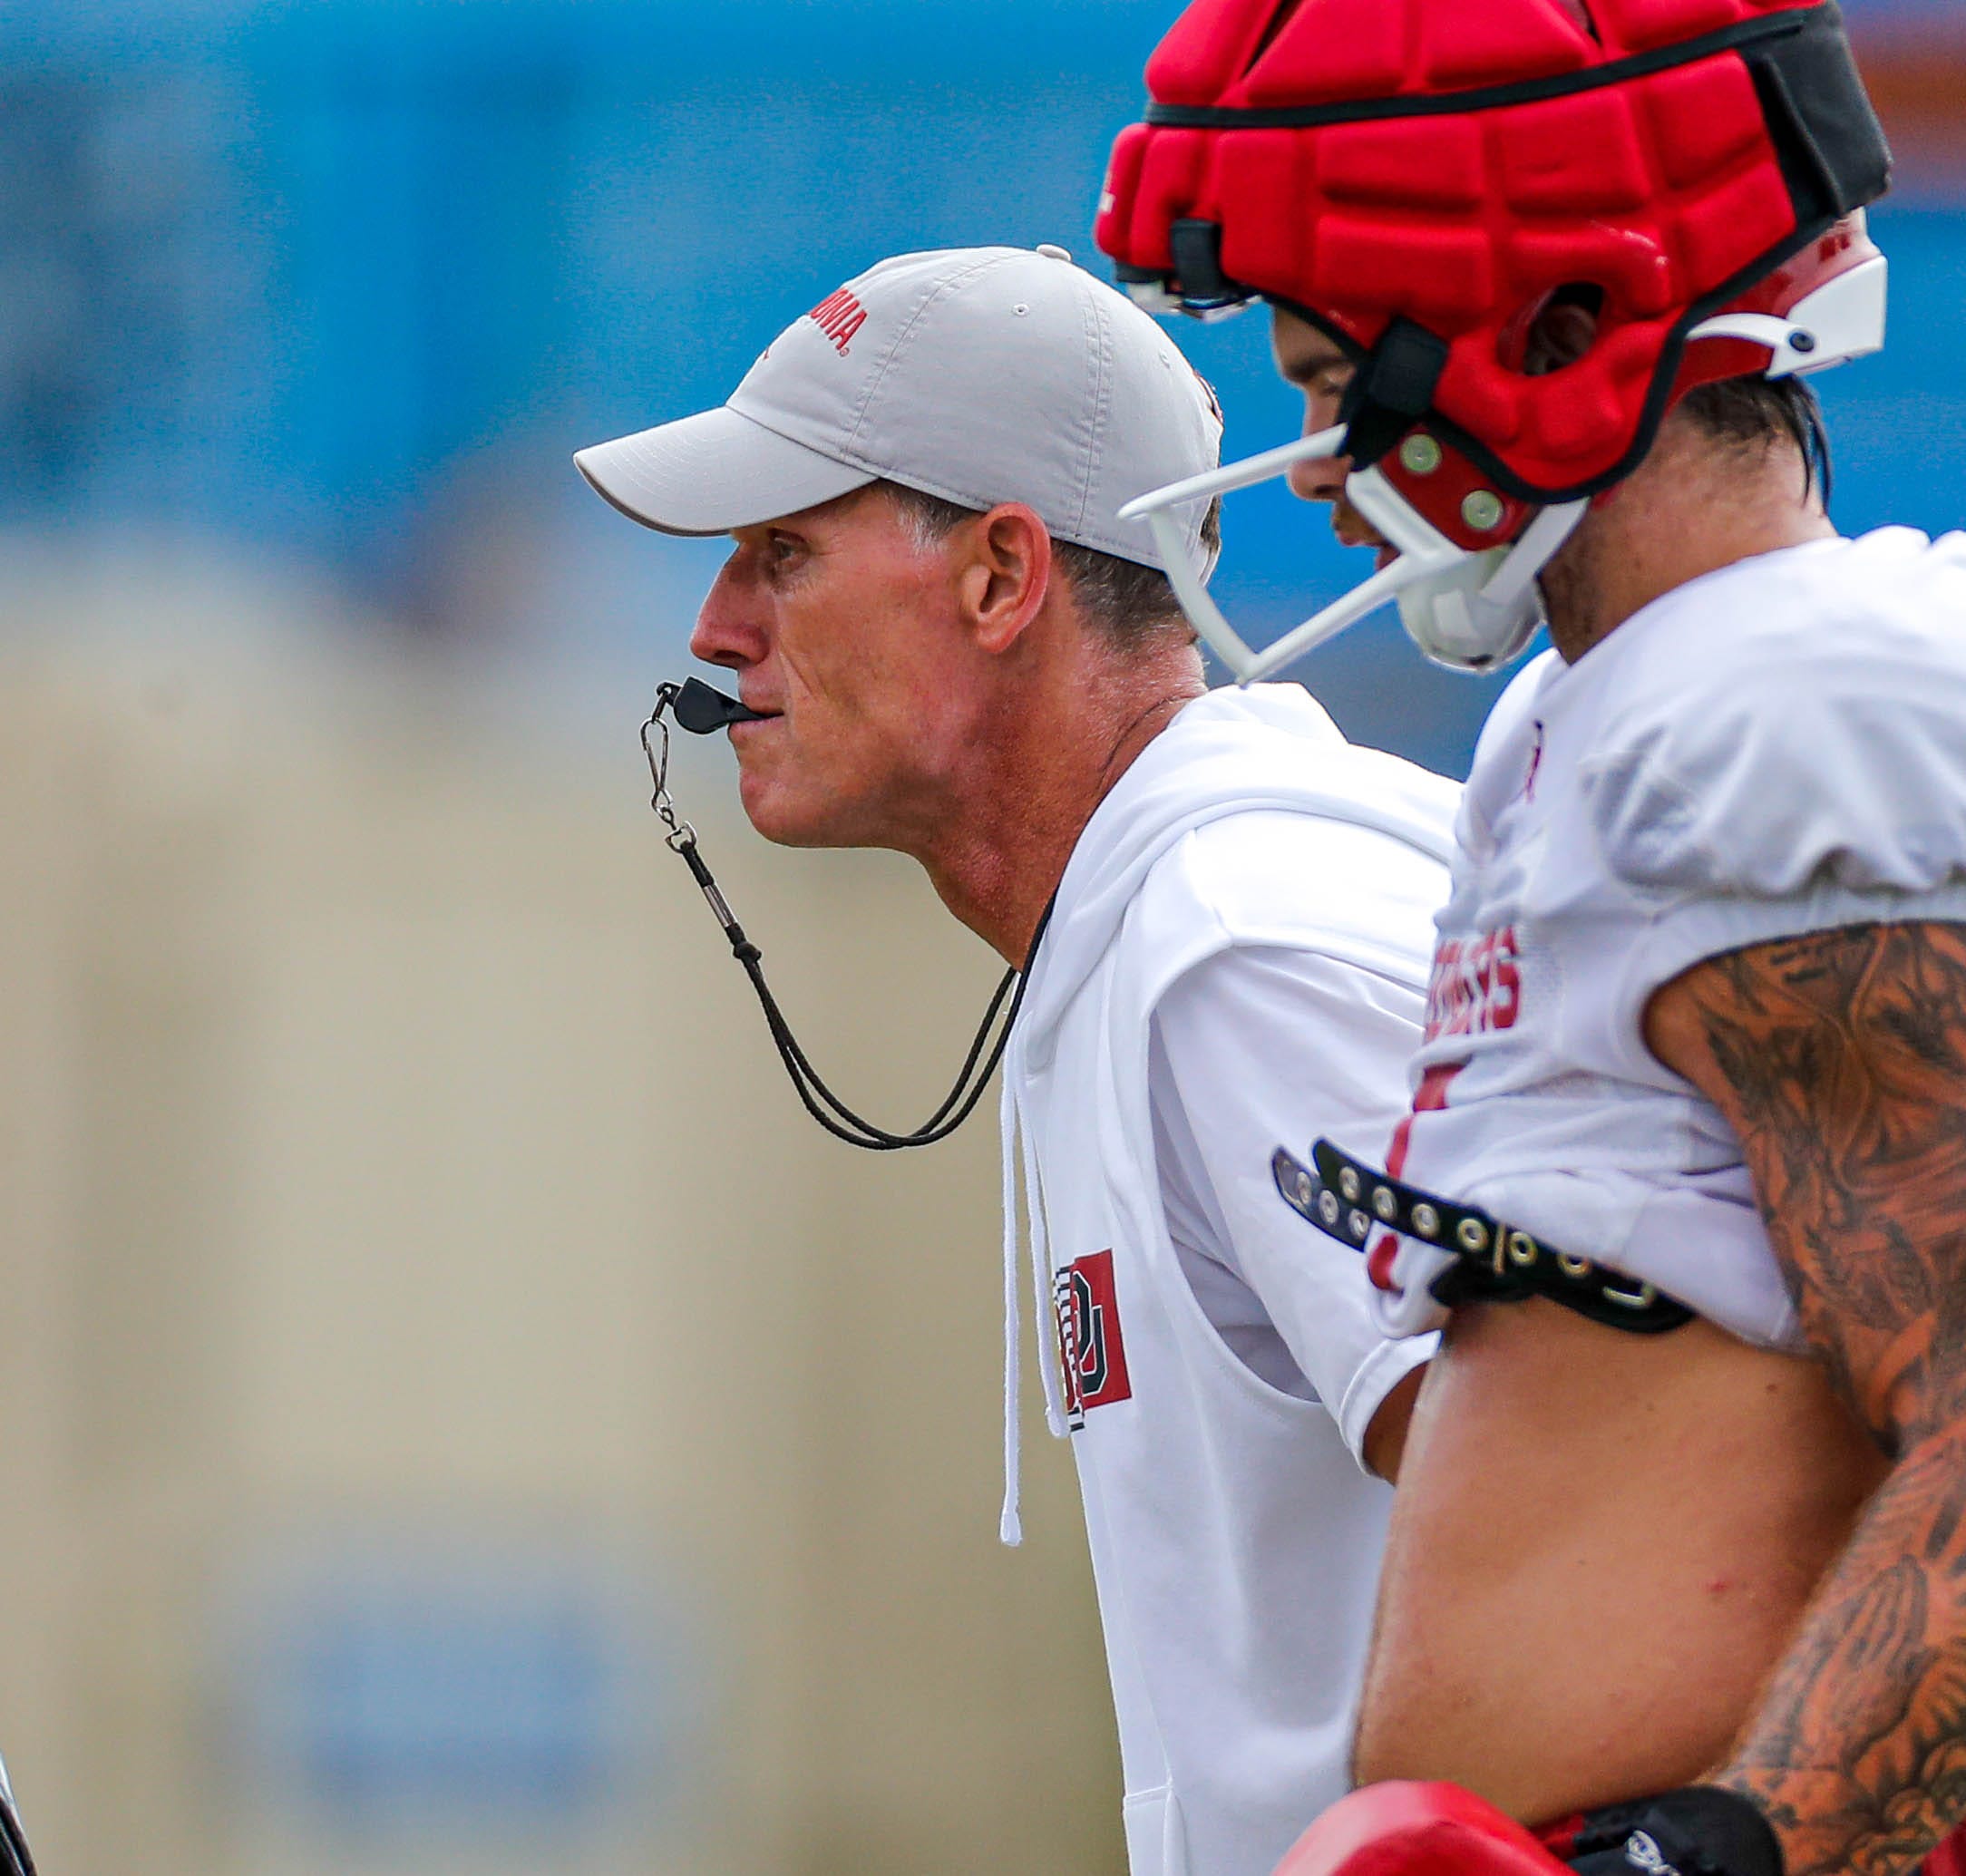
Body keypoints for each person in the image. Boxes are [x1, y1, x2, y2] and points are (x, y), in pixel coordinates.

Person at [1094, 5, 1966, 1871]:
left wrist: (1714, 1864)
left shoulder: (1795, 709)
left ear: (1562, 328)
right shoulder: (1592, 717)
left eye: (1337, 377)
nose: (1320, 462)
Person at [572, 245, 1456, 1876]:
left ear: (1000, 576)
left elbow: (1605, 1478)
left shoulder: (1243, 943)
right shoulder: (1179, 929)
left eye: (784, 552)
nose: (714, 629)